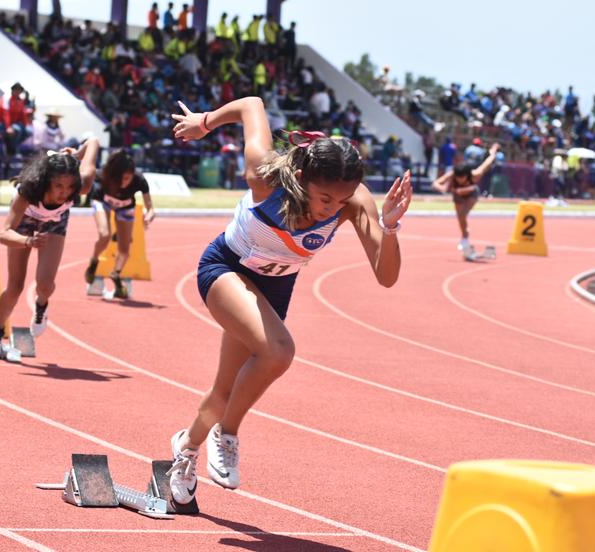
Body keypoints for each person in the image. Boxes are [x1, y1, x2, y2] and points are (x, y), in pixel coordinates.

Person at [165, 97, 411, 505]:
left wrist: (389, 225)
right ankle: (226, 434)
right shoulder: (265, 177)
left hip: (274, 289)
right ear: (301, 177)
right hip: (227, 268)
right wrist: (205, 122)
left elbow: (386, 278)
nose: (331, 209)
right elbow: (252, 105)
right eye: (324, 199)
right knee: (279, 352)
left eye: (341, 200)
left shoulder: (353, 202)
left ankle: (185, 449)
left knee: (224, 389)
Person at [0, 138, 100, 360]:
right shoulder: (29, 190)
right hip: (24, 224)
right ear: (46, 182)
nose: (64, 193)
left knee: (45, 285)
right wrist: (27, 241)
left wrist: (76, 155)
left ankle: (41, 304)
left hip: (54, 223)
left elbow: (93, 141)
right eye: (58, 186)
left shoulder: (82, 185)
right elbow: (4, 234)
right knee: (15, 287)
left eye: (68, 187)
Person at [84, 150, 156, 299]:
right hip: (103, 202)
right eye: (120, 178)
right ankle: (94, 261)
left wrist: (149, 215)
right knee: (105, 235)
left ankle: (115, 274)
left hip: (125, 207)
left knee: (124, 251)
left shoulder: (139, 180)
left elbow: (150, 208)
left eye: (127, 178)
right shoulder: (104, 175)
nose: (124, 182)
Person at [432, 143, 500, 251]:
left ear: (467, 175)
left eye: (462, 178)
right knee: (460, 217)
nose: (460, 180)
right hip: (458, 195)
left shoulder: (475, 174)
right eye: (458, 178)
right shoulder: (452, 174)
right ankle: (465, 235)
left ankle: (464, 237)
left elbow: (486, 163)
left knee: (462, 214)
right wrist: (442, 188)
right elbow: (436, 182)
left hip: (471, 194)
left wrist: (493, 152)